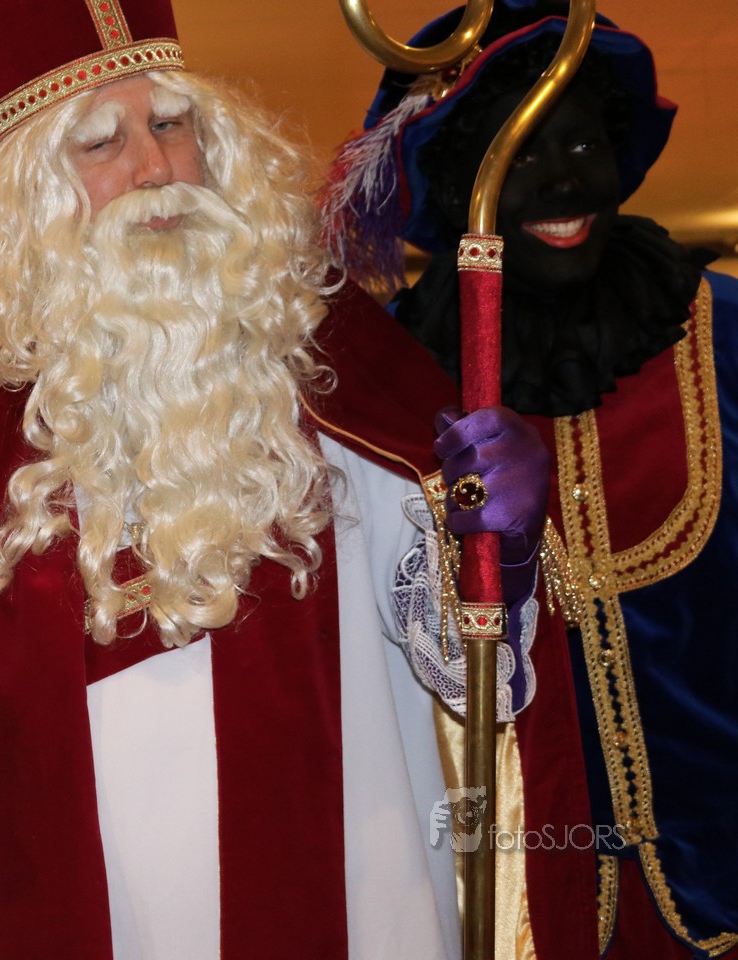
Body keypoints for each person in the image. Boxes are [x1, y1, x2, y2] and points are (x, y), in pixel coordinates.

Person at [0, 2, 559, 957]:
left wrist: (500, 546)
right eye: (102, 142)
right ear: (27, 194)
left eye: (172, 124)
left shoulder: (326, 339)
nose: (155, 169)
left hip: (351, 898)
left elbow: (469, 671)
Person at [325, 2, 738, 956]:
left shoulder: (726, 336)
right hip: (509, 898)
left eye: (584, 143)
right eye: (517, 156)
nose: (562, 180)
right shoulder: (391, 384)